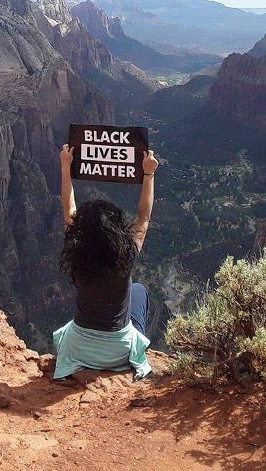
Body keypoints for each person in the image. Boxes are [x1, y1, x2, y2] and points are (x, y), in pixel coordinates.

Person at [52, 143, 159, 380]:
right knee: (138, 290)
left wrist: (65, 166)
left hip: (77, 349)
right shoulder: (127, 255)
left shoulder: (77, 253)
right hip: (119, 353)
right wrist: (148, 173)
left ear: (81, 231)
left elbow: (68, 207)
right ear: (116, 231)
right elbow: (144, 216)